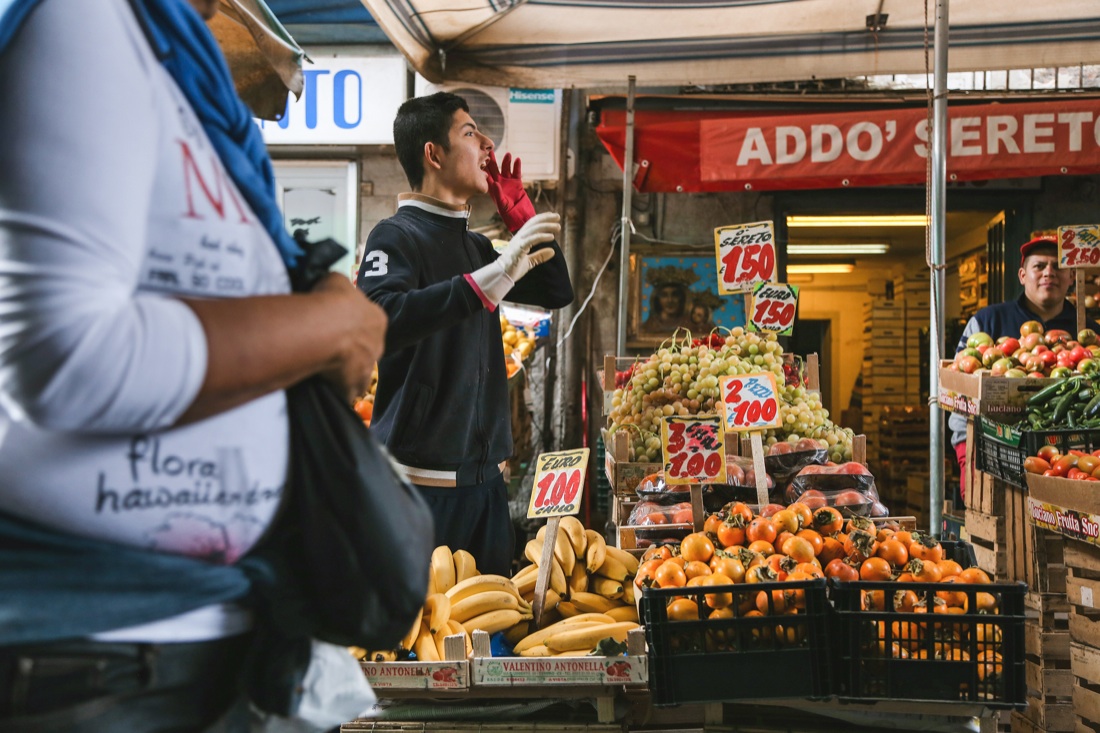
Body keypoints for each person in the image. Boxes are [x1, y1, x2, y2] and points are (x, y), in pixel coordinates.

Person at [0, 0, 387, 730]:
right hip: (96, 659)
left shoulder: (174, 63)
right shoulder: (83, 18)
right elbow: (66, 357)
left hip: (188, 634)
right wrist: (328, 326)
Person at [357, 92, 574, 577]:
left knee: (492, 646)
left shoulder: (477, 246)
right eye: (470, 132)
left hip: (486, 493)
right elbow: (378, 319)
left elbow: (558, 290)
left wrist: (520, 214)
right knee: (415, 645)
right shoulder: (394, 237)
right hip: (417, 493)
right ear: (433, 154)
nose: (488, 142)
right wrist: (488, 281)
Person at [949, 235, 1095, 498]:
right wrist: (964, 451)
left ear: (1072, 276)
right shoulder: (988, 321)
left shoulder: (1088, 332)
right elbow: (959, 391)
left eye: (1057, 266)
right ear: (1022, 274)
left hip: (1068, 457)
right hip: (990, 453)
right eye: (1039, 266)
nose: (1048, 272)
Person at [642, 266, 698, 334]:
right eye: (664, 295)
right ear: (657, 299)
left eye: (675, 295)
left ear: (682, 298)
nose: (670, 300)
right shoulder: (647, 328)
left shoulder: (694, 328)